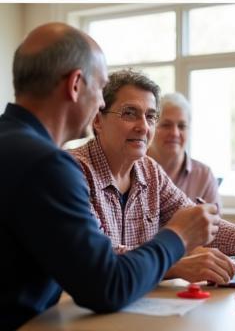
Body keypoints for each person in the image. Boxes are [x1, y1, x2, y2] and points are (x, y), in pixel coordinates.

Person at [0, 23, 216, 329]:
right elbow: (106, 286)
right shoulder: (49, 165)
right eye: (101, 89)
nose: (102, 103)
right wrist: (177, 236)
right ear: (75, 85)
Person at [72, 69, 235, 286]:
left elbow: (199, 223)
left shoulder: (149, 171)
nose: (143, 126)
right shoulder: (73, 171)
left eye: (150, 116)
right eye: (129, 113)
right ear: (98, 121)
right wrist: (176, 266)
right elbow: (98, 258)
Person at [147, 92, 222, 212]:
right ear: (151, 126)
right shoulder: (132, 168)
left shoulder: (204, 175)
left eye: (181, 126)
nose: (175, 133)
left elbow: (214, 226)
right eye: (166, 125)